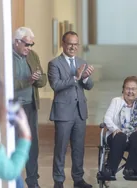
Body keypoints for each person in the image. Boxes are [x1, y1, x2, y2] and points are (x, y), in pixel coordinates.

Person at [48, 31, 94, 188]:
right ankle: (58, 181)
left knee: (79, 148)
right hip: (63, 113)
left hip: (80, 112)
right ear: (63, 44)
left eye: (76, 44)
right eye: (70, 44)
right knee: (60, 148)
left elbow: (89, 85)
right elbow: (55, 85)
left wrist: (86, 77)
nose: (73, 47)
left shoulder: (82, 61)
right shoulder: (54, 63)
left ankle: (78, 179)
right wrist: (75, 77)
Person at [13, 27, 47, 188]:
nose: (29, 48)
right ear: (17, 42)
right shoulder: (6, 58)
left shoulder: (33, 56)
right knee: (14, 144)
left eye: (32, 44)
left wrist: (38, 79)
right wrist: (28, 81)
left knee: (32, 146)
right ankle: (14, 180)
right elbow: (6, 84)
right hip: (12, 108)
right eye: (27, 44)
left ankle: (33, 181)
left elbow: (43, 79)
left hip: (30, 106)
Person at [102, 76, 137, 180]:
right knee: (120, 136)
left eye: (133, 89)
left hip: (136, 135)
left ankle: (130, 170)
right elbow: (107, 118)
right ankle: (110, 170)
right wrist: (115, 129)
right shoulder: (116, 101)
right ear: (123, 89)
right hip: (118, 135)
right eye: (127, 88)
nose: (130, 91)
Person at [0, 76, 31, 182]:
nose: (5, 108)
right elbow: (11, 172)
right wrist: (26, 135)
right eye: (1, 101)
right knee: (18, 181)